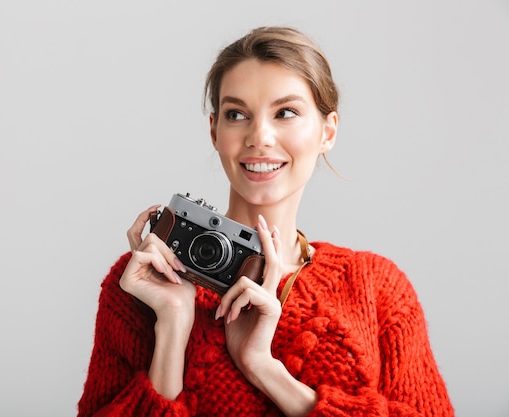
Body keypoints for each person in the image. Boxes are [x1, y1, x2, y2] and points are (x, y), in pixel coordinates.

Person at [76, 26, 454, 417]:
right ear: (214, 131)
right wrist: (172, 328)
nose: (260, 136)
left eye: (285, 112)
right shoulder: (142, 283)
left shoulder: (376, 287)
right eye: (236, 114)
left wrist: (264, 368)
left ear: (328, 131)